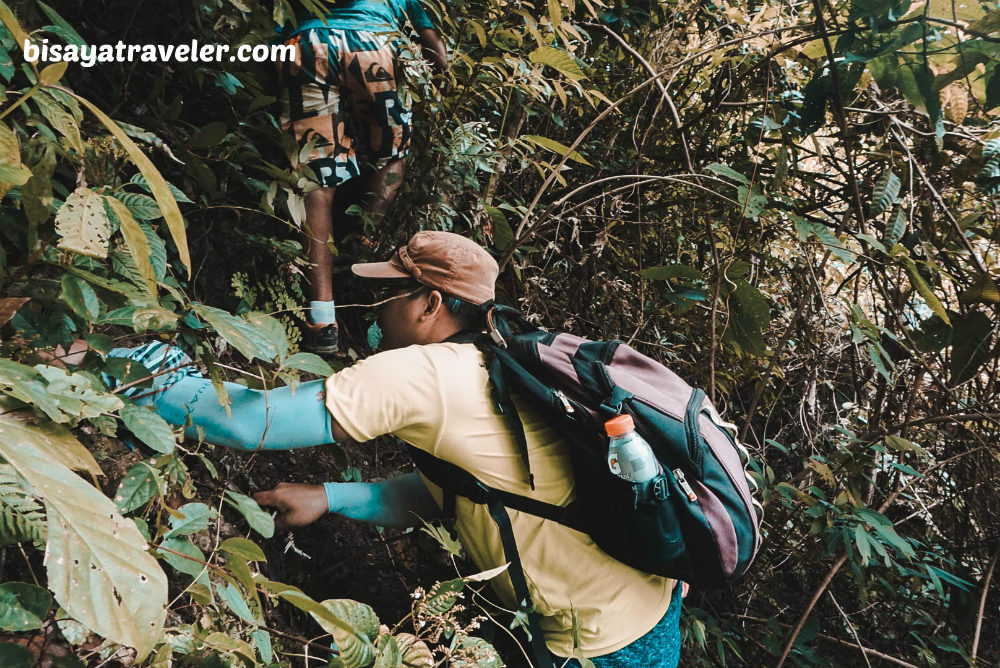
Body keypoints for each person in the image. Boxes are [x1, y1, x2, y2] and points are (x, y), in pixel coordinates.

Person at [110, 231, 683, 667]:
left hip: (600, 645)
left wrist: (128, 365)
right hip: (648, 608)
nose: (374, 308)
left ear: (430, 305)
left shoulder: (424, 375)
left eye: (387, 293)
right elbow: (455, 494)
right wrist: (328, 496)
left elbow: (248, 422)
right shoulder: (500, 364)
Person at [276, 0, 449, 354]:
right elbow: (436, 52)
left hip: (307, 44)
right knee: (391, 160)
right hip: (374, 45)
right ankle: (361, 257)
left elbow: (276, 33)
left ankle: (323, 319)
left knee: (315, 180)